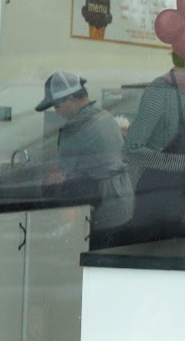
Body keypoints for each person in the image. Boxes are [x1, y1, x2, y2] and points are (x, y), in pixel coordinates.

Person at [121, 53, 185, 243]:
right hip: (155, 194)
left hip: (181, 192)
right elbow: (131, 151)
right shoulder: (158, 92)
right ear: (184, 67)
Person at [36, 71, 132, 248]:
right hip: (123, 205)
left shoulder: (75, 128)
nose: (56, 112)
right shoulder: (106, 117)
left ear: (70, 98)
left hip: (101, 213)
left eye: (56, 106)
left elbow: (61, 175)